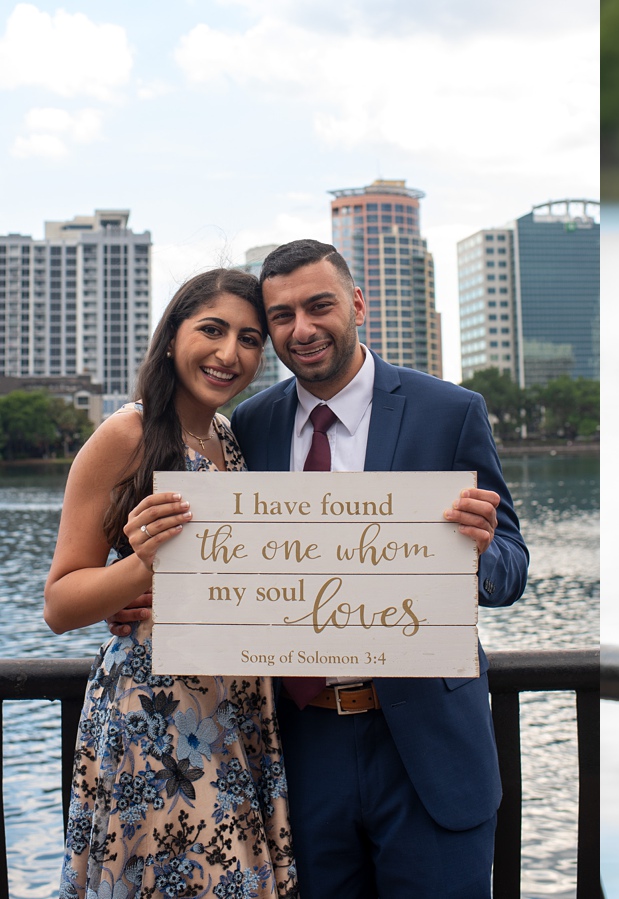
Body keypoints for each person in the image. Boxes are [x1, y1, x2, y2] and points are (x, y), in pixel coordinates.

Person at [113, 239, 528, 896]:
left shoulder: (450, 411)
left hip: (427, 749)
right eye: (281, 316)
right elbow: (216, 558)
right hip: (298, 750)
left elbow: (513, 565)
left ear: (356, 304)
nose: (301, 330)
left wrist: (478, 555)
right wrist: (145, 592)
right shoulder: (246, 428)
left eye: (318, 306)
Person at [45, 269, 298, 897]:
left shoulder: (231, 443)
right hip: (155, 716)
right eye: (211, 330)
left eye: (248, 338)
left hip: (236, 713)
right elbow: (59, 602)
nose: (228, 353)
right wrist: (140, 566)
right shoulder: (126, 434)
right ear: (171, 336)